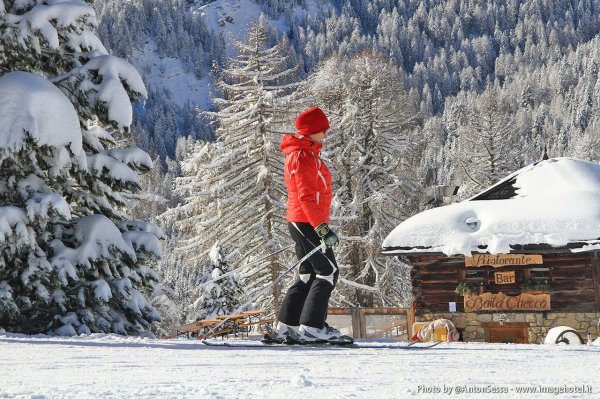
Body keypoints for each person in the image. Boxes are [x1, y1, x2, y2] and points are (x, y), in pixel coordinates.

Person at [266, 106, 351, 344]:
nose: (325, 134)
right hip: (307, 221)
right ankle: (312, 327)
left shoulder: (305, 153)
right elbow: (305, 197)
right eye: (322, 130)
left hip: (301, 220)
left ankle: (287, 326)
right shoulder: (303, 156)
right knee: (328, 271)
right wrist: (322, 229)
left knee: (307, 274)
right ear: (311, 131)